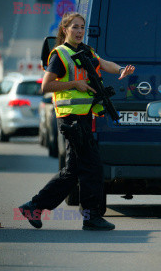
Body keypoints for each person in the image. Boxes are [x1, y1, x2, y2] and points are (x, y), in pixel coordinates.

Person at [19, 12, 135, 231]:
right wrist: (74, 84)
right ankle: (90, 217)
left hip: (82, 118)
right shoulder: (60, 55)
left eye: (82, 27)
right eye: (75, 27)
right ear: (65, 29)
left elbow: (103, 63)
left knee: (74, 171)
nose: (80, 31)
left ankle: (34, 206)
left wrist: (120, 70)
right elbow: (46, 86)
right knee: (91, 168)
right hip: (70, 119)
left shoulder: (86, 51)